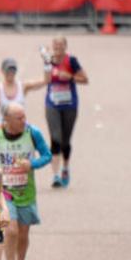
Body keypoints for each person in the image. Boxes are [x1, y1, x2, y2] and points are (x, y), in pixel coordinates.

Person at [0, 103, 52, 260]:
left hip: (26, 192)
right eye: (19, 118)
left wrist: (31, 163)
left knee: (23, 233)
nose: (24, 121)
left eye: (24, 117)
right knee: (12, 230)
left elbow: (47, 156)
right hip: (4, 191)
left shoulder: (33, 133)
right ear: (6, 120)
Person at [41, 37, 87, 188]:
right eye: (55, 45)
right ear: (52, 46)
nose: (58, 47)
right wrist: (47, 64)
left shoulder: (72, 61)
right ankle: (55, 175)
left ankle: (65, 167)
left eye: (61, 45)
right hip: (52, 104)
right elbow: (46, 80)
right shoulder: (48, 60)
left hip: (69, 105)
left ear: (65, 46)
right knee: (55, 138)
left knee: (66, 141)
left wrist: (70, 77)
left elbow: (85, 79)